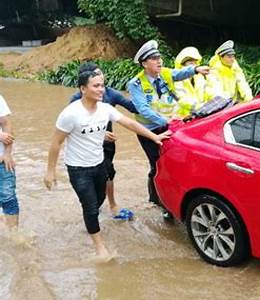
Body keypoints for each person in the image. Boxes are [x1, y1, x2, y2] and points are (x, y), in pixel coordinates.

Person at [44, 71, 171, 260]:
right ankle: (99, 246)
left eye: (102, 85)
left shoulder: (105, 109)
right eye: (96, 86)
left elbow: (129, 123)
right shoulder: (70, 113)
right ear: (83, 89)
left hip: (99, 164)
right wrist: (50, 171)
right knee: (90, 207)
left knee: (99, 199)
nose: (101, 89)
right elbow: (56, 143)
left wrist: (154, 136)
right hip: (78, 169)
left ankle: (91, 220)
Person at [127, 40, 209, 207]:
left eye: (159, 57)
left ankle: (172, 198)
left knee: (173, 161)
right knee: (156, 165)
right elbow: (143, 109)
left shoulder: (165, 73)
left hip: (169, 125)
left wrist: (195, 69)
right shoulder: (135, 84)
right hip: (149, 130)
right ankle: (156, 199)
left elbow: (180, 73)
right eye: (153, 58)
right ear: (144, 63)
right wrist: (164, 121)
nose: (159, 61)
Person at [70, 62, 137, 219]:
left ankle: (112, 205)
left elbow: (133, 108)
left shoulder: (110, 94)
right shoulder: (75, 100)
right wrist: (100, 134)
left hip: (107, 145)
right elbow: (72, 130)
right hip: (86, 146)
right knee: (90, 176)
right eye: (96, 76)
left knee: (108, 174)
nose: (101, 81)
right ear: (85, 84)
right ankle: (93, 206)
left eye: (101, 75)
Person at [173, 46, 212, 118]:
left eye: (195, 63)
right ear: (182, 65)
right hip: (184, 118)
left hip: (202, 113)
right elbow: (181, 99)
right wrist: (199, 107)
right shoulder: (177, 81)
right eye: (191, 63)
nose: (194, 65)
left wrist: (214, 101)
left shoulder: (199, 77)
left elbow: (208, 91)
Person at [0, 94, 19, 231]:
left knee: (9, 197)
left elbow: (6, 123)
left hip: (2, 159)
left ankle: (14, 235)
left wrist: (7, 153)